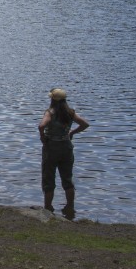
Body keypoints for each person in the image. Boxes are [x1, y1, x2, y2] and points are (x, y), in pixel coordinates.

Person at [39, 87, 89, 219]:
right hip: (66, 147)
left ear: (52, 99)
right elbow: (85, 124)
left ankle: (48, 207)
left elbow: (41, 125)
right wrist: (72, 132)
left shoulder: (50, 112)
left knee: (49, 178)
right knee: (67, 178)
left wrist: (42, 137)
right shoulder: (70, 113)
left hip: (51, 148)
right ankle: (70, 207)